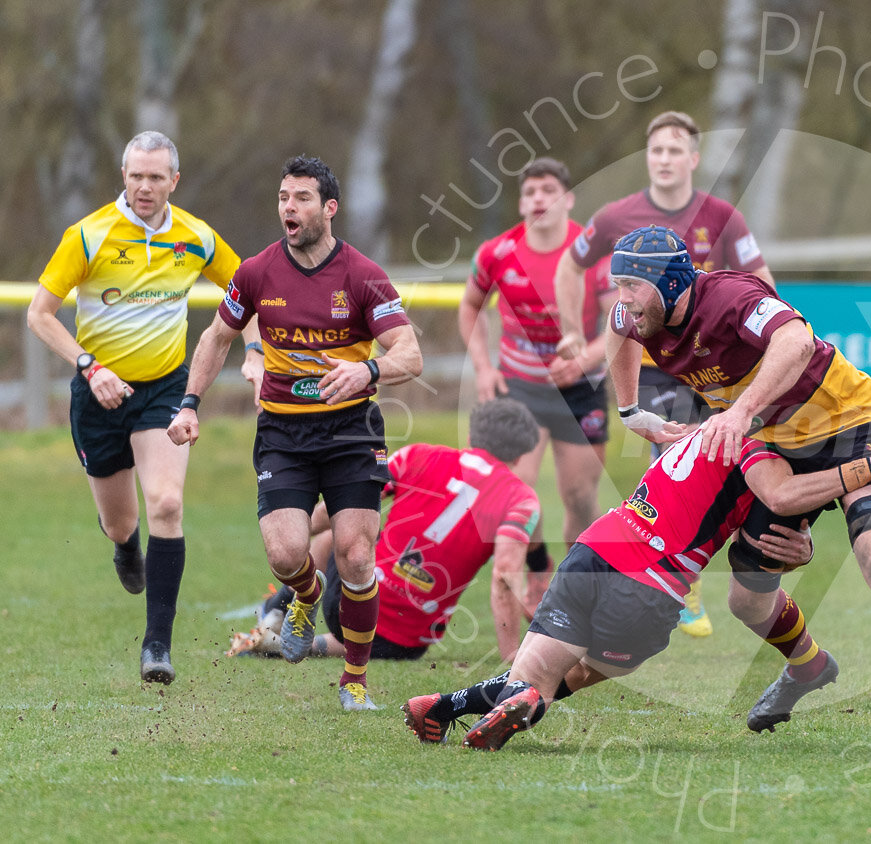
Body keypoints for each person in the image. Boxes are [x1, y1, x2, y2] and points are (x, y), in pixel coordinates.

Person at [598, 225, 871, 753]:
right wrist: (631, 411)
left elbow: (796, 339)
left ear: (670, 281)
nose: (623, 299)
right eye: (618, 284)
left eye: (631, 285)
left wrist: (740, 412)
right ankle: (807, 666)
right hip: (773, 442)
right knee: (747, 602)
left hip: (851, 425)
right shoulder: (639, 314)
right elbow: (617, 329)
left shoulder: (729, 298)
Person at [401, 428, 871, 751]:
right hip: (651, 589)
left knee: (533, 673)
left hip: (593, 550)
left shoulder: (703, 428)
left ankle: (447, 706)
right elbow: (763, 540)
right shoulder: (765, 458)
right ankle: (508, 701)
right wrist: (811, 535)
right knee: (566, 680)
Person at [166, 155, 423, 711]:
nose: (290, 207)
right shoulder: (257, 272)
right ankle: (307, 594)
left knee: (356, 556)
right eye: (284, 197)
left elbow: (411, 353)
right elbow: (215, 338)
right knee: (285, 555)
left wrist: (368, 369)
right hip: (283, 433)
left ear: (329, 209)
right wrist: (189, 404)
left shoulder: (363, 275)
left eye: (302, 198)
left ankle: (353, 681)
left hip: (352, 431)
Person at [26, 130, 253, 684]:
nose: (145, 186)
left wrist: (257, 351)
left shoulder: (196, 236)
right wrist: (89, 367)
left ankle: (157, 646)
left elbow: (251, 290)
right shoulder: (89, 235)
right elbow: (40, 314)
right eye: (136, 176)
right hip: (97, 394)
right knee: (120, 522)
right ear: (123, 176)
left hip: (165, 389)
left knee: (168, 505)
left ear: (175, 180)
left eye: (156, 177)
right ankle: (126, 548)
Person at [553, 110, 777, 639]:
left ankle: (702, 561)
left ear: (693, 159)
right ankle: (679, 577)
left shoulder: (721, 216)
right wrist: (570, 329)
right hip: (655, 369)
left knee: (733, 462)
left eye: (676, 150)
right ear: (647, 158)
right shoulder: (615, 216)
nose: (665, 159)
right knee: (675, 462)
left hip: (718, 368)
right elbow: (570, 266)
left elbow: (762, 282)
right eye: (656, 150)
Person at [229, 398, 543, 663]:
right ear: (521, 453)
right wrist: (510, 655)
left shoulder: (419, 455)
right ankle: (295, 639)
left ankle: (277, 610)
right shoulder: (522, 499)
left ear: (473, 433)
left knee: (343, 521)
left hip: (347, 606)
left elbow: (338, 510)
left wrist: (286, 532)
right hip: (406, 643)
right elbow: (504, 574)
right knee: (355, 541)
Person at [457, 158, 616, 631]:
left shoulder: (593, 253)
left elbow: (617, 324)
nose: (538, 199)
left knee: (579, 495)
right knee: (516, 491)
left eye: (548, 190)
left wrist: (583, 360)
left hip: (581, 388)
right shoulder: (496, 251)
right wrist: (484, 367)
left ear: (567, 199)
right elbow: (469, 308)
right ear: (521, 202)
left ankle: (576, 580)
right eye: (529, 192)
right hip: (519, 385)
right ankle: (541, 569)